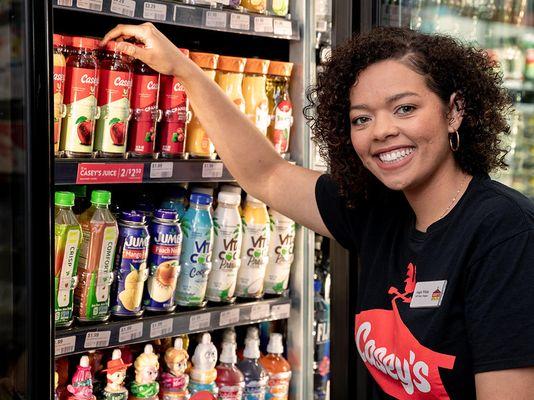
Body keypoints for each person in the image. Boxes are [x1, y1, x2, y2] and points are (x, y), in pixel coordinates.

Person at [101, 24, 534, 399]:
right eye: (362, 118)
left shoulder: (506, 232)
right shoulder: (381, 211)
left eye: (405, 108)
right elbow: (266, 175)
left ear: (454, 111)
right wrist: (183, 69)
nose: (382, 130)